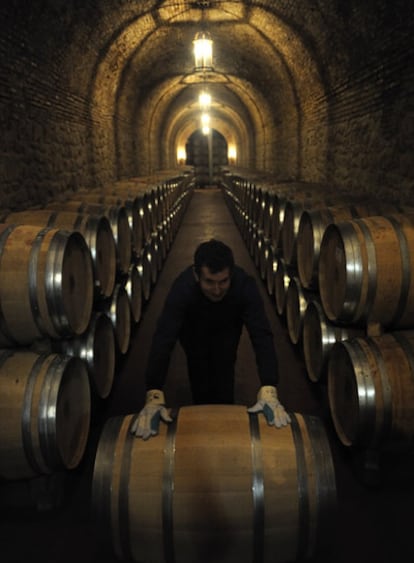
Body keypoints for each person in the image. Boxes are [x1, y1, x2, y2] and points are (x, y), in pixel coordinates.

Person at [130, 238, 290, 439]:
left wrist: (269, 385)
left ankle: (225, 429)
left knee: (224, 371)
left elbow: (262, 334)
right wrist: (153, 391)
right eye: (210, 282)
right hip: (193, 333)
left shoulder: (244, 286)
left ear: (231, 274)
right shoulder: (182, 289)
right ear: (196, 275)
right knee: (199, 375)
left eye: (223, 282)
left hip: (227, 332)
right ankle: (202, 428)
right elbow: (164, 337)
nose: (217, 290)